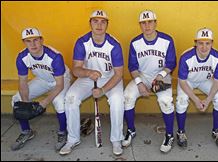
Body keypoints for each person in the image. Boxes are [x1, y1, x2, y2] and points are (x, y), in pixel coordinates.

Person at [59, 10, 125, 156]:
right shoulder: (82, 42)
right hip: (88, 77)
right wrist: (88, 73)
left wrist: (102, 90)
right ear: (90, 24)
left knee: (117, 100)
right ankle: (72, 139)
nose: (99, 25)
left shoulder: (114, 45)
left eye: (103, 22)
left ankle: (116, 139)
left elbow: (119, 73)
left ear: (107, 25)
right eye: (95, 21)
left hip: (110, 78)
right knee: (71, 98)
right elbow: (76, 70)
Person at [122, 10, 177, 153]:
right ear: (140, 25)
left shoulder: (166, 40)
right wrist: (140, 83)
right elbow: (132, 67)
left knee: (165, 101)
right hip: (143, 75)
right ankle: (131, 130)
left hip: (162, 75)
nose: (147, 25)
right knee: (127, 96)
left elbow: (171, 62)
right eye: (143, 23)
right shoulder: (135, 42)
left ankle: (169, 134)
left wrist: (161, 75)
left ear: (155, 23)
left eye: (150, 22)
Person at [11, 27, 71, 151]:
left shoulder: (55, 56)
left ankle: (62, 132)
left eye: (35, 40)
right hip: (42, 79)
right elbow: (22, 82)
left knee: (59, 102)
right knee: (16, 99)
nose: (32, 44)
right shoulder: (22, 57)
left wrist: (44, 103)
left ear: (41, 40)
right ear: (24, 42)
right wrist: (25, 102)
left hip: (61, 79)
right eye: (28, 41)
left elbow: (59, 84)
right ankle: (27, 131)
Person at [176, 28, 218, 148]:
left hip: (205, 80)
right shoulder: (186, 57)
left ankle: (216, 131)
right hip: (187, 81)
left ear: (212, 43)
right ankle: (181, 132)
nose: (204, 47)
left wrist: (208, 100)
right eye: (200, 43)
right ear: (195, 43)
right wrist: (196, 99)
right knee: (181, 100)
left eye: (207, 43)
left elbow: (217, 81)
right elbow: (182, 82)